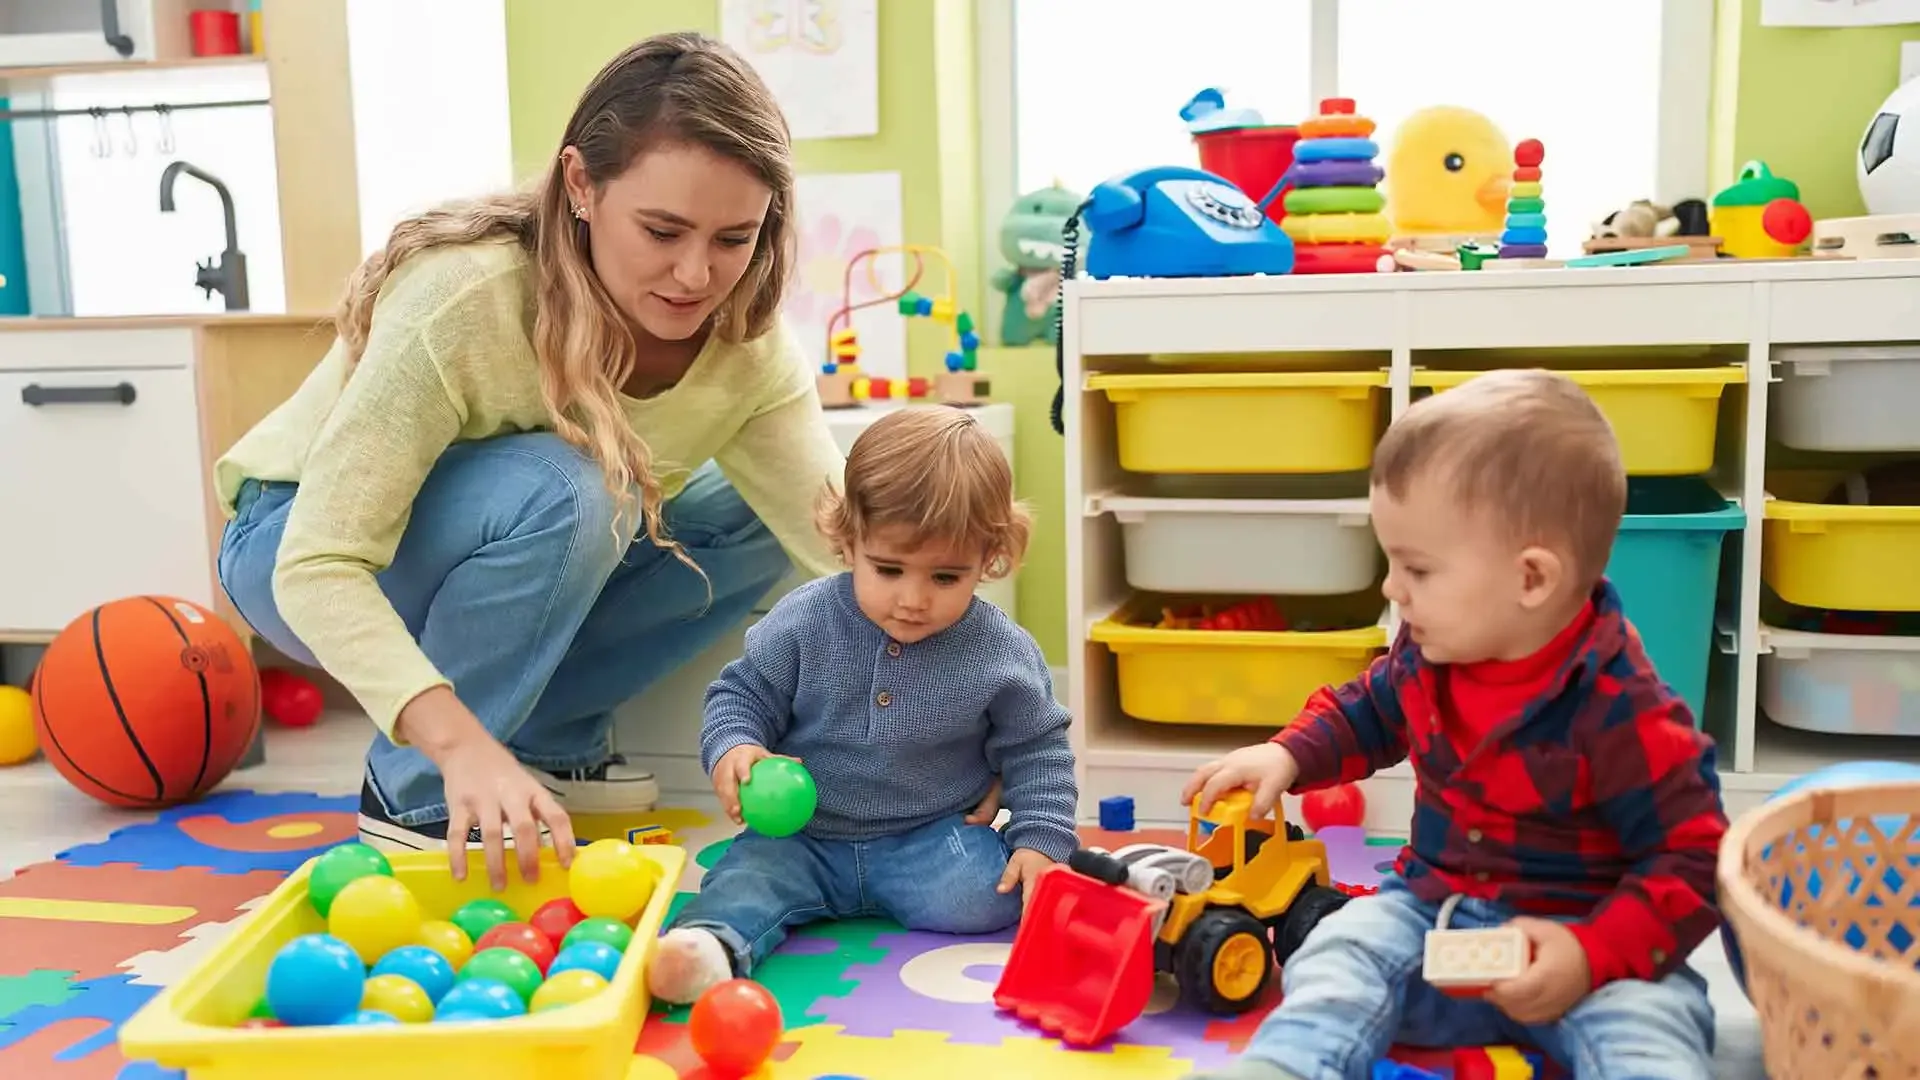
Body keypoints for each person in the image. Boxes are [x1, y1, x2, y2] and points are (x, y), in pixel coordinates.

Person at [213, 32, 848, 890]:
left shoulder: (749, 346)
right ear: (581, 185)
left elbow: (847, 547)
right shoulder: (465, 299)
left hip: (501, 540)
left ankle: (548, 736)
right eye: (662, 230)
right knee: (578, 485)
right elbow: (320, 561)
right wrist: (456, 745)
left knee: (749, 512)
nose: (696, 275)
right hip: (293, 544)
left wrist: (966, 718)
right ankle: (414, 792)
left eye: (734, 238)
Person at [1178, 369, 1728, 1080]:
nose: (1391, 588)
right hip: (1434, 921)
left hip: (1586, 950)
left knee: (1650, 1028)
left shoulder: (1626, 709)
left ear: (1531, 579)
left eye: (1418, 569)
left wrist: (1592, 953)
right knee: (1339, 955)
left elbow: (1693, 861)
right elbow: (1370, 708)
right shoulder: (1430, 650)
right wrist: (1289, 754)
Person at [645, 406, 1078, 1005]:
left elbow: (1038, 748)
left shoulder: (1000, 651)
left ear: (991, 558)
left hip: (927, 837)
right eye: (889, 568)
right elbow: (740, 696)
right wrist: (735, 748)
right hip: (802, 836)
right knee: (743, 884)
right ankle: (707, 950)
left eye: (946, 578)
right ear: (848, 541)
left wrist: (1042, 841)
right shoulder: (804, 620)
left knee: (992, 895)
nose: (912, 599)